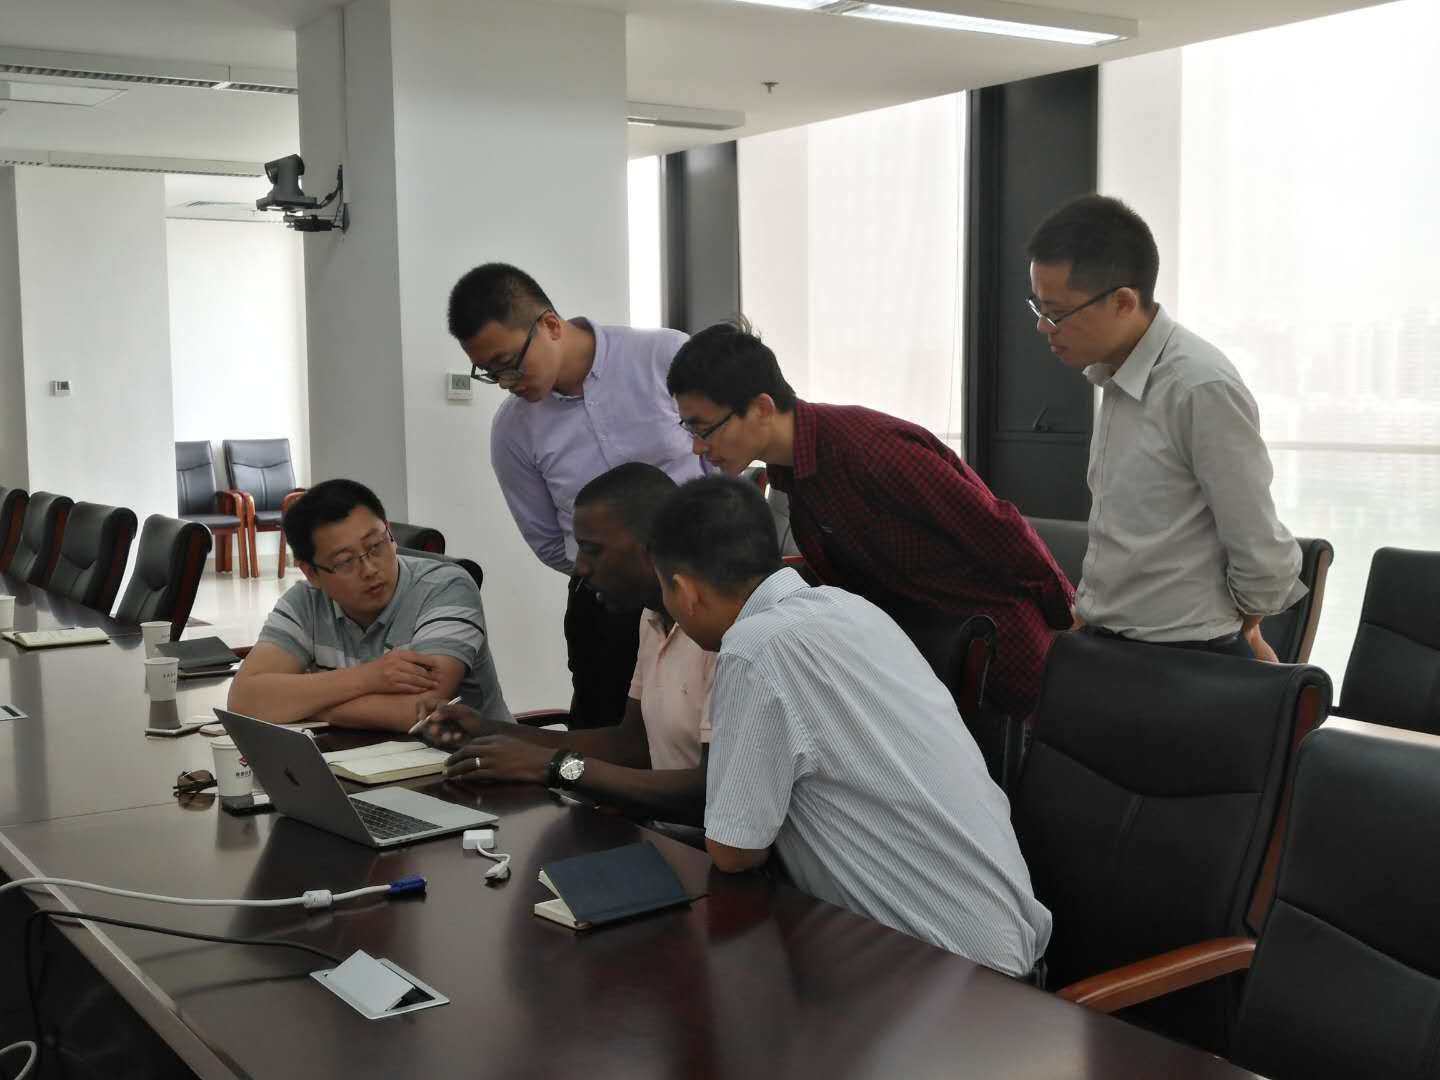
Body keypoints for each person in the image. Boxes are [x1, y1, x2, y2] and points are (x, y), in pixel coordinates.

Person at [648, 474, 1051, 977]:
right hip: (1001, 950)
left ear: (686, 592)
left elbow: (735, 852)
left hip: (952, 980)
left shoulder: (756, 648)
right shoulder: (849, 608)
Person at [665, 321, 1072, 717]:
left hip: (1002, 657)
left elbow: (997, 528)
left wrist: (1068, 617)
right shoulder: (792, 476)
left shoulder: (869, 450)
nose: (698, 447)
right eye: (689, 429)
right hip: (929, 669)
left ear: (761, 408)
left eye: (705, 429)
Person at [1025, 195, 1303, 660]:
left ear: (1123, 302)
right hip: (1110, 644)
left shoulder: (1198, 386)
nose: (1043, 328)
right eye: (1038, 308)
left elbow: (1256, 541)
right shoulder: (1115, 374)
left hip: (1186, 656)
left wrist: (1246, 633)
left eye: (1056, 312)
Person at [448, 263, 705, 727]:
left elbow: (718, 460)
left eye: (508, 363)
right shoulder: (513, 430)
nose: (505, 382)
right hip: (606, 604)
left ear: (550, 325)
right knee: (603, 730)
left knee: (704, 725)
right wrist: (613, 571)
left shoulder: (663, 357)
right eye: (490, 372)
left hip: (701, 586)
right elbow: (548, 540)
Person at [421, 463, 713, 826]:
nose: (581, 568)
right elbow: (633, 744)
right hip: (666, 836)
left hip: (706, 850)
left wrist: (556, 766)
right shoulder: (652, 617)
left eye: (592, 550)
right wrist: (487, 731)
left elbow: (711, 794)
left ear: (649, 549)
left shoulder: (717, 634)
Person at [229, 479, 511, 731]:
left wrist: (303, 707)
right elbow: (244, 699)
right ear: (311, 573)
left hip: (474, 762)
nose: (369, 569)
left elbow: (418, 711)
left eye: (375, 546)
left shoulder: (446, 588)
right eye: (345, 562)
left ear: (390, 533)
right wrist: (369, 677)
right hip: (360, 760)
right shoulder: (305, 602)